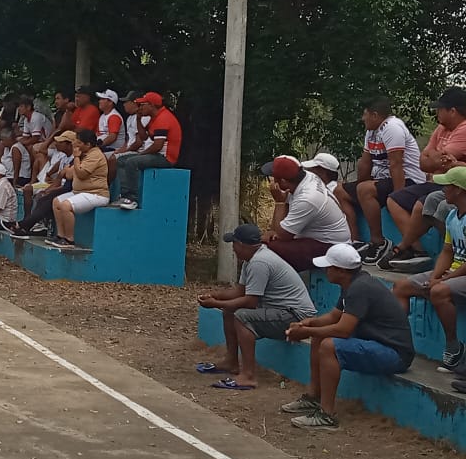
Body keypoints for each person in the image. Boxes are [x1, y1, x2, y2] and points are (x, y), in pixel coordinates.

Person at [281, 243, 414, 430]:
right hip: (376, 344)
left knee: (329, 346)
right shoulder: (352, 283)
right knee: (320, 336)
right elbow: (334, 317)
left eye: (329, 267)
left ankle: (327, 415)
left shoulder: (360, 288)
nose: (325, 271)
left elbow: (343, 330)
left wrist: (306, 332)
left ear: (341, 271)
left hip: (394, 354)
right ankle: (313, 397)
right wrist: (309, 324)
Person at [197, 224, 317, 390]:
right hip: (282, 311)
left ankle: (248, 376)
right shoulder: (252, 259)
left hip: (296, 316)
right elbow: (240, 292)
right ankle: (231, 361)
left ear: (241, 245)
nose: (233, 248)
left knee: (242, 316)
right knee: (230, 311)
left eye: (234, 244)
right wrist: (214, 295)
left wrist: (215, 304)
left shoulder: (259, 262)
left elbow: (249, 302)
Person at [382, 87, 466, 271]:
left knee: (428, 204)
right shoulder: (441, 128)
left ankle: (453, 255)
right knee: (394, 199)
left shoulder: (464, 129)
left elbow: (438, 160)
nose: (436, 113)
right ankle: (417, 251)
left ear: (452, 111)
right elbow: (424, 162)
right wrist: (434, 159)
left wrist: (434, 158)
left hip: (452, 184)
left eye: (440, 109)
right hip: (437, 181)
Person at [334, 98, 425, 265]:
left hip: (408, 180)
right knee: (339, 191)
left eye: (365, 114)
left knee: (365, 190)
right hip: (383, 180)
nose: (363, 118)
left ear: (375, 115)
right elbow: (365, 163)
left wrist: (399, 196)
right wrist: (358, 184)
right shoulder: (371, 132)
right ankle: (355, 242)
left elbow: (396, 164)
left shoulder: (392, 127)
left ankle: (379, 242)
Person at [392, 166, 466, 371]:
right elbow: (447, 251)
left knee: (439, 291)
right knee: (400, 287)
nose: (443, 190)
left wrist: (442, 280)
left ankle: (453, 347)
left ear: (458, 189)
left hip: (459, 275)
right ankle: (399, 343)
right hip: (453, 272)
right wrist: (435, 275)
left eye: (447, 186)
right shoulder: (452, 216)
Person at [261, 155, 351, 271]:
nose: (271, 182)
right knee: (269, 243)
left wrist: (279, 202)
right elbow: (279, 228)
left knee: (268, 249)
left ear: (282, 181)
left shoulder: (307, 199)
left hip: (332, 247)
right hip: (322, 239)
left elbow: (283, 236)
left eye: (273, 178)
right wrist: (273, 231)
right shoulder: (307, 177)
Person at [113, 92, 182, 210]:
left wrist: (141, 154)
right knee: (121, 160)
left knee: (132, 162)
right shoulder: (155, 118)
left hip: (165, 157)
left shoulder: (163, 118)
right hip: (157, 154)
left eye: (142, 105)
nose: (140, 108)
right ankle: (124, 196)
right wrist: (138, 119)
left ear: (151, 105)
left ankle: (132, 199)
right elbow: (144, 137)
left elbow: (157, 146)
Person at [5, 132, 76, 239]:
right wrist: (48, 189)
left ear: (69, 144)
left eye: (60, 142)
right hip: (59, 186)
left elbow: (67, 184)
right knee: (41, 195)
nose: (56, 144)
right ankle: (28, 223)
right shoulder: (64, 158)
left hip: (67, 189)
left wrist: (50, 190)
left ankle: (27, 225)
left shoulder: (74, 160)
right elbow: (57, 180)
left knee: (43, 199)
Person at [47, 129, 109, 249]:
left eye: (79, 142)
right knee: (56, 201)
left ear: (88, 144)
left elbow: (81, 174)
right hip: (81, 192)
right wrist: (75, 162)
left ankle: (69, 240)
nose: (75, 144)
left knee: (65, 206)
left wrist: (76, 158)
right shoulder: (84, 154)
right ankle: (60, 236)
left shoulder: (95, 155)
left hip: (96, 194)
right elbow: (69, 175)